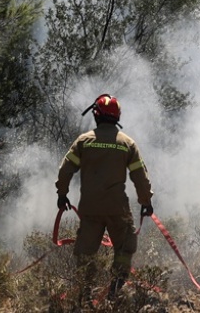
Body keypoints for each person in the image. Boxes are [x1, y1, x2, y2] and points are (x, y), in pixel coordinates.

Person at [56, 93, 154, 304]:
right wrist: (146, 202)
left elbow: (65, 171)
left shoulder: (84, 141)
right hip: (118, 208)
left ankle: (85, 296)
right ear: (117, 116)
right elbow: (140, 178)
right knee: (125, 248)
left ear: (96, 115)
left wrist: (62, 194)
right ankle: (115, 288)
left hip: (90, 210)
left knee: (85, 254)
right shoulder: (127, 143)